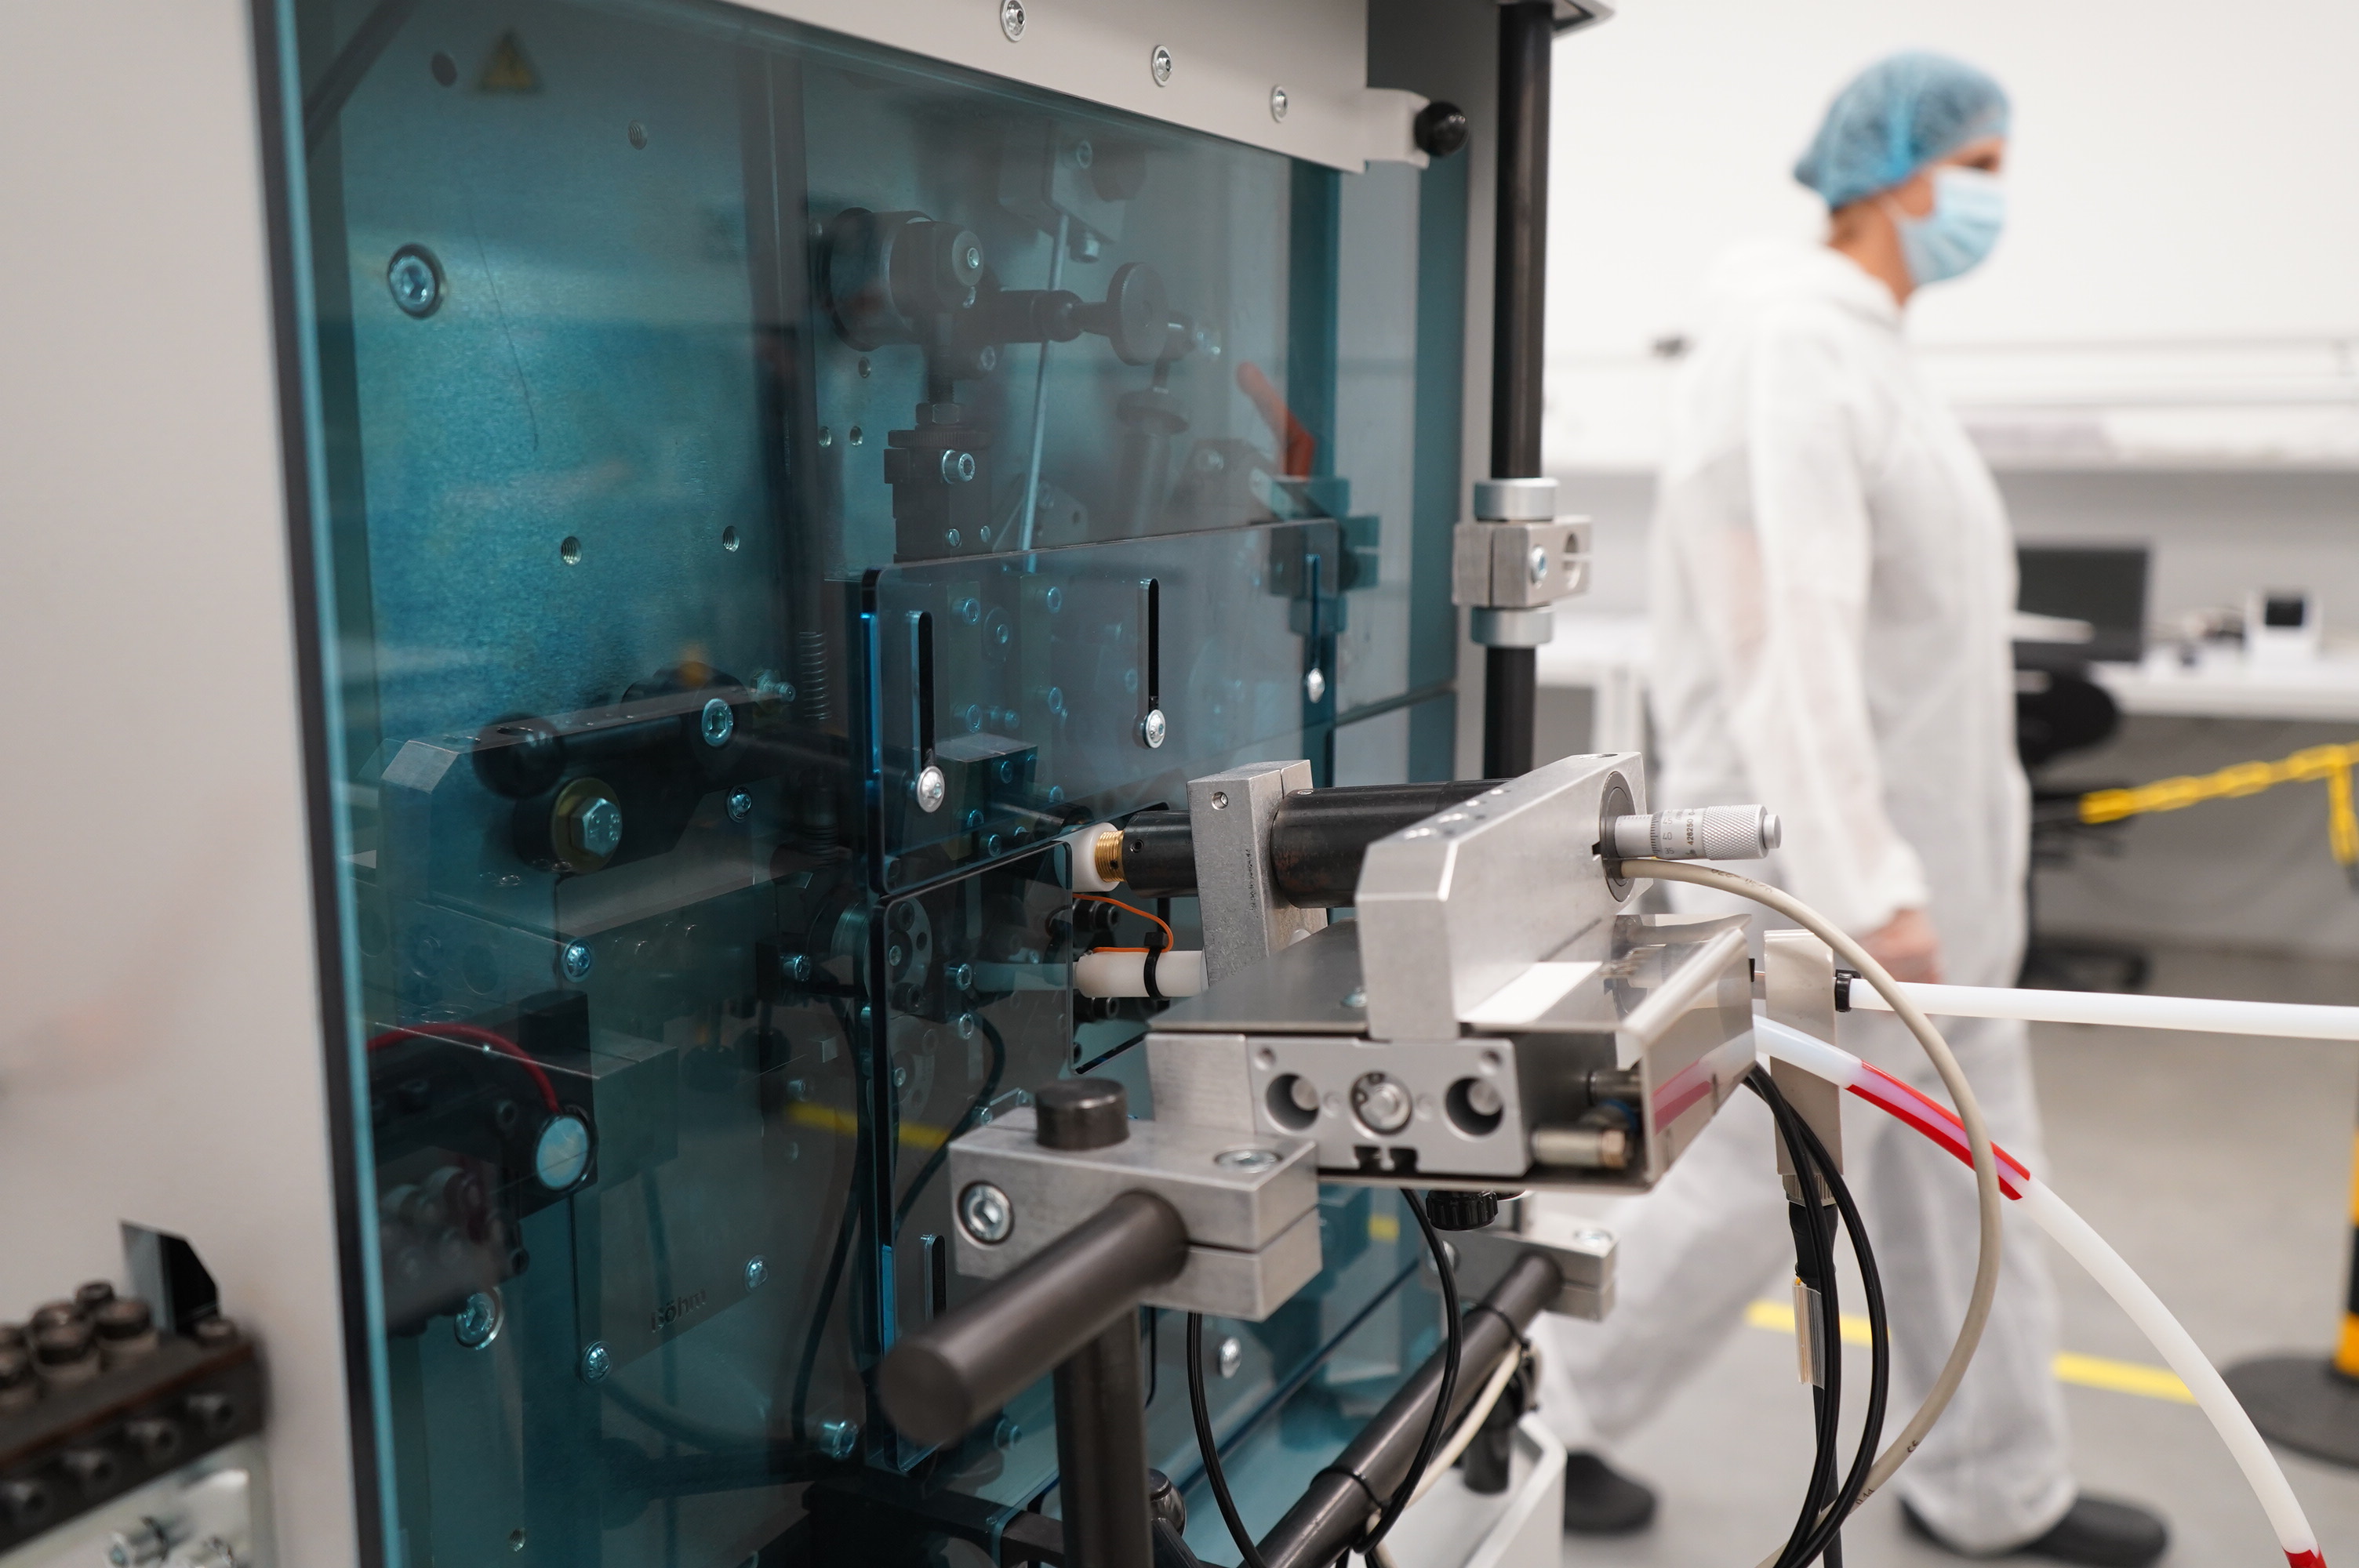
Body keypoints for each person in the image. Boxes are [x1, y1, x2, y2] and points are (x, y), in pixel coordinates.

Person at [1531, 53, 2171, 1566]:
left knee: (1970, 1180)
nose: (1994, 200)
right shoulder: (1789, 344)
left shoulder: (1871, 351)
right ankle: (1542, 1408)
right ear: (1893, 172)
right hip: (1841, 883)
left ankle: (1996, 1485)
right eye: (1981, 169)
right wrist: (1868, 878)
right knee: (1757, 1180)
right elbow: (1791, 643)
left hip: (1943, 882)